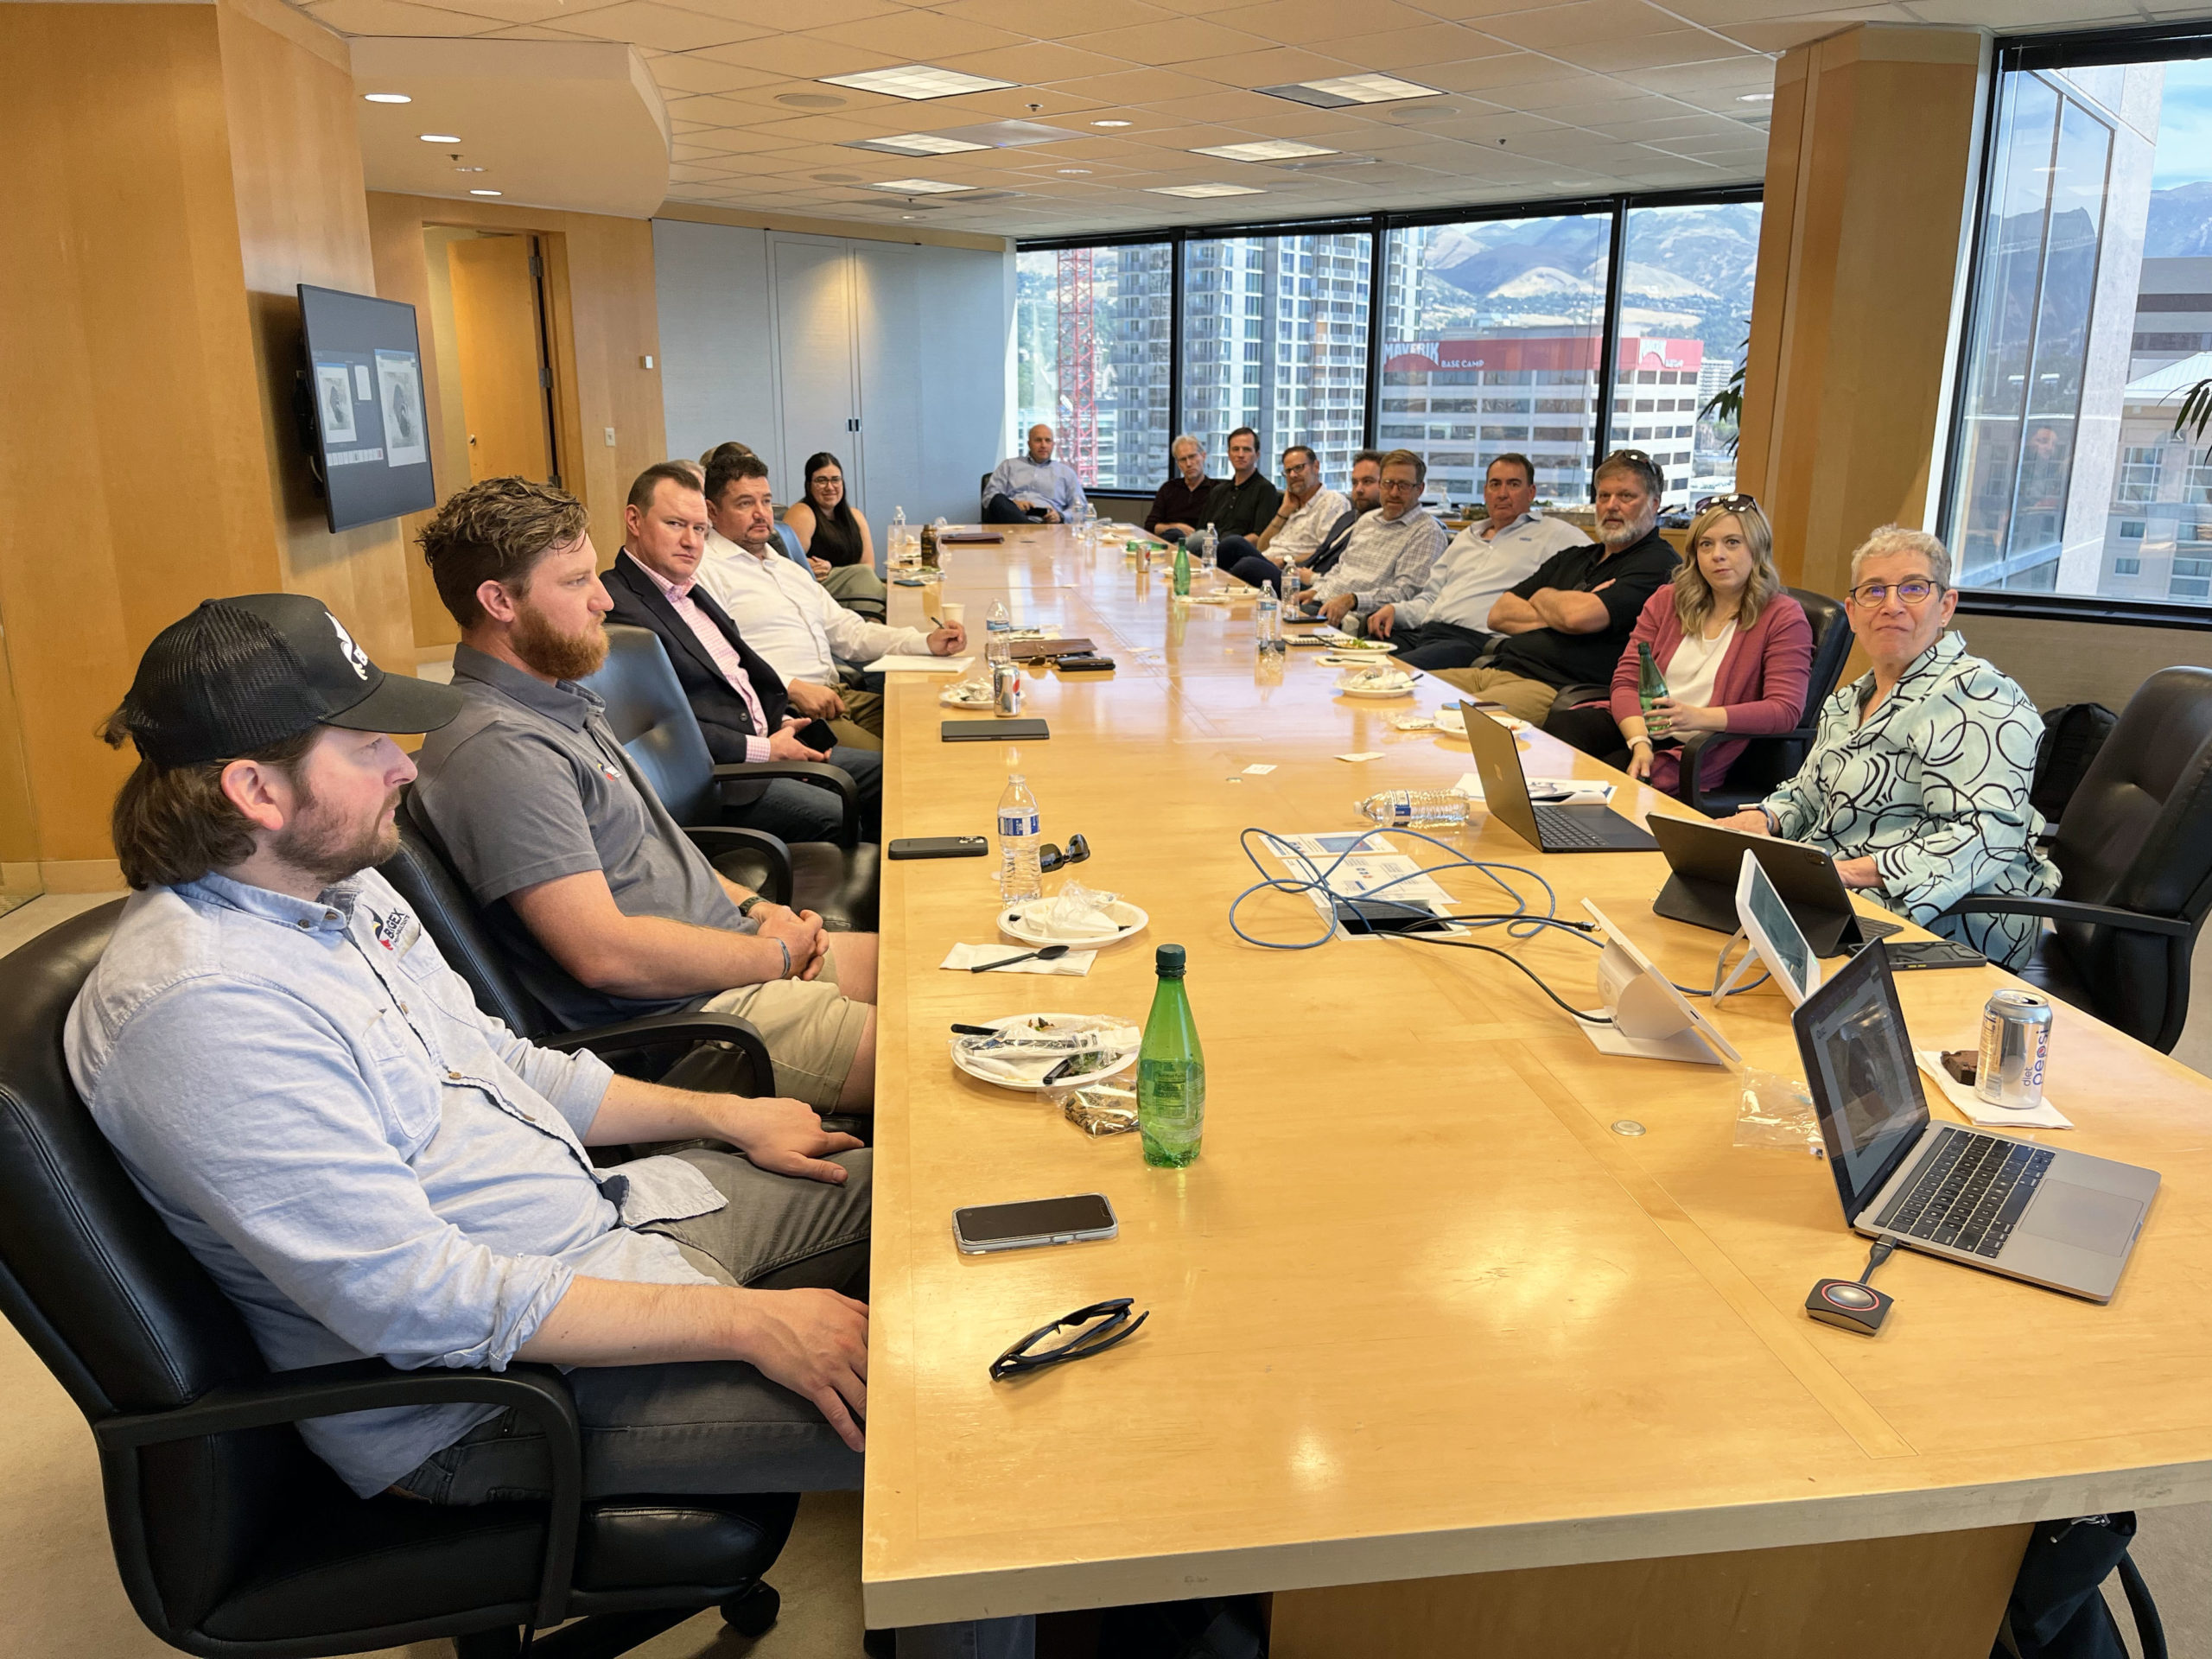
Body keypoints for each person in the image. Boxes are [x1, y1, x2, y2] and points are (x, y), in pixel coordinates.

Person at [65, 593, 1026, 1659]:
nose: (402, 767)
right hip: (498, 1401)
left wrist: (725, 1114)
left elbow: (509, 1065)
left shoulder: (339, 893)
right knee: (972, 1428)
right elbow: (418, 1298)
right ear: (256, 790)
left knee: (956, 1191)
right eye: (367, 743)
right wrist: (752, 1324)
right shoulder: (205, 1009)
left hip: (610, 1224)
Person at [409, 475, 883, 1116]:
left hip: (731, 964)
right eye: (576, 582)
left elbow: (660, 852)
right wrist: (771, 956)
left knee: (933, 969)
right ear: (499, 601)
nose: (604, 598)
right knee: (950, 1046)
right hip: (701, 1025)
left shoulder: (560, 697)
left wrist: (757, 908)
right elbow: (604, 955)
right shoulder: (501, 750)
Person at [1716, 525, 2059, 969]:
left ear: (1945, 607)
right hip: (1844, 896)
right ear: (1853, 612)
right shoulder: (1847, 701)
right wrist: (1764, 819)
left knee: (1738, 964)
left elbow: (1986, 835)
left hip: (1950, 920)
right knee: (1700, 921)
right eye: (1874, 591)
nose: (1891, 605)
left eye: (1913, 588)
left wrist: (1847, 873)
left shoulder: (1979, 695)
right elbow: (1806, 795)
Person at [606, 462, 884, 841]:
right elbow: (664, 728)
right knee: (840, 812)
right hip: (723, 779)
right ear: (634, 520)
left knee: (887, 775)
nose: (691, 541)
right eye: (674, 524)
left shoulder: (688, 589)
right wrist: (764, 750)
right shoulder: (619, 607)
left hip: (769, 738)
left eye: (699, 529)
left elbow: (739, 677)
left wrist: (780, 724)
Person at [1543, 498, 1813, 799]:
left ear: (1757, 549)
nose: (1718, 555)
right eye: (1706, 544)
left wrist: (1696, 717)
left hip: (1695, 745)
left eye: (1732, 542)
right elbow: (1626, 681)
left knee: (1608, 778)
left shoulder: (1782, 616)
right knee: (1563, 730)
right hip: (1639, 727)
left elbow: (1784, 710)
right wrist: (1639, 742)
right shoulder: (1668, 600)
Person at [697, 451, 965, 746]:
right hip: (791, 710)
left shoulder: (787, 568)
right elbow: (718, 663)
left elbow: (851, 633)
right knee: (898, 762)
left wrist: (925, 642)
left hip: (839, 696)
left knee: (936, 726)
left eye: (766, 501)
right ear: (712, 511)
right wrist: (792, 687)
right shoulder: (706, 572)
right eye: (745, 503)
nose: (761, 513)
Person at [1433, 448, 1682, 723]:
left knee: (1450, 725)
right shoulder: (1574, 556)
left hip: (1552, 687)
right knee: (1406, 692)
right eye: (1604, 496)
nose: (1611, 506)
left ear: (1654, 503)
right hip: (1494, 670)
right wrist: (1561, 612)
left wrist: (1544, 598)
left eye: (1626, 496)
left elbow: (1577, 617)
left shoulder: (1658, 563)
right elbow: (1499, 614)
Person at [1365, 454, 1591, 669]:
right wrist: (1396, 610)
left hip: (1475, 641)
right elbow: (1431, 598)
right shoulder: (1468, 536)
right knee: (1355, 657)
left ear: (1531, 492)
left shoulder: (1554, 534)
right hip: (1425, 633)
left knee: (1389, 672)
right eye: (1495, 484)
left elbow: (1600, 566)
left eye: (1513, 484)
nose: (1502, 493)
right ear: (1485, 492)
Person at [1293, 449, 1446, 626]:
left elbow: (1406, 593)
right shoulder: (1367, 520)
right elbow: (1341, 568)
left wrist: (1354, 600)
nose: (1394, 493)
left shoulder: (1426, 532)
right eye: (1388, 483)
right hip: (1324, 600)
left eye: (1403, 485)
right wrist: (1316, 591)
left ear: (1420, 489)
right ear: (1380, 485)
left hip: (1355, 616)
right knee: (1274, 611)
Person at [1217, 444, 1349, 593]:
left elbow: (1327, 553)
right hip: (1268, 562)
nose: (1293, 475)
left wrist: (1285, 560)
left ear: (1316, 466)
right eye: (1288, 471)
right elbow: (1261, 547)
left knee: (1246, 565)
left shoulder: (1332, 501)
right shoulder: (1291, 503)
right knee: (1232, 544)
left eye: (1299, 468)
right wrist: (1284, 512)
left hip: (1294, 574)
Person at [784, 450, 886, 615]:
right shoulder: (803, 513)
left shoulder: (855, 516)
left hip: (852, 594)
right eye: (821, 480)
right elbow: (785, 563)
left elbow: (868, 564)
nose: (830, 487)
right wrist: (810, 565)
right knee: (864, 575)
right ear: (809, 485)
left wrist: (835, 570)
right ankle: (874, 620)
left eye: (835, 480)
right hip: (818, 593)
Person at [1192, 427, 1281, 550]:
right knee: (1176, 538)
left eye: (1246, 450)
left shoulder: (1265, 490)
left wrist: (1223, 548)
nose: (1240, 455)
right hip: (1206, 551)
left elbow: (1260, 536)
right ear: (1229, 454)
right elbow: (1201, 530)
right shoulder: (1218, 490)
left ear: (1257, 455)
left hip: (1237, 553)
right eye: (1235, 449)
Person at [983, 425, 1087, 524]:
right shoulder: (1008, 465)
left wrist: (1060, 516)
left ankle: (1028, 529)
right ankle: (1028, 528)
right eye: (1038, 440)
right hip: (1010, 522)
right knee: (998, 499)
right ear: (1029, 444)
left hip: (1049, 525)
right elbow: (989, 498)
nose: (1043, 445)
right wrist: (1013, 504)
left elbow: (1081, 508)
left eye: (1048, 440)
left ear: (1053, 444)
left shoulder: (1066, 473)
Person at [1144, 435, 1217, 543]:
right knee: (1175, 533)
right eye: (1183, 459)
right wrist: (1177, 527)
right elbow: (1150, 526)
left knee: (1200, 536)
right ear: (1178, 464)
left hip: (1201, 544)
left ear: (1203, 456)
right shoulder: (1168, 488)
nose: (1188, 464)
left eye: (1192, 456)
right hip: (1170, 541)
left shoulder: (1216, 489)